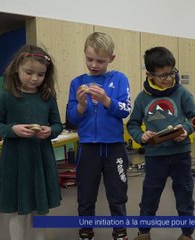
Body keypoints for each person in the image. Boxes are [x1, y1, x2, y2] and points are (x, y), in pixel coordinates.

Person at [0, 45, 62, 240]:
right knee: (18, 211)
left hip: (40, 160)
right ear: (16, 69)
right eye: (28, 73)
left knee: (40, 211)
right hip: (15, 161)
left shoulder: (48, 96)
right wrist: (12, 130)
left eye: (40, 74)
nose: (34, 78)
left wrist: (50, 131)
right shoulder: (6, 95)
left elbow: (57, 125)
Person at [126, 46, 195, 240]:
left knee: (184, 194)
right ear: (150, 74)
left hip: (180, 155)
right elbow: (132, 123)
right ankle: (144, 232)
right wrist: (140, 136)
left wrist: (186, 129)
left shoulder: (183, 93)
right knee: (149, 195)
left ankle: (187, 234)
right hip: (155, 157)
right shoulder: (142, 98)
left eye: (172, 73)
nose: (169, 79)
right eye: (163, 75)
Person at [66, 32, 131, 240]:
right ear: (85, 55)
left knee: (117, 194)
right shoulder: (77, 82)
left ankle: (120, 232)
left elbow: (125, 109)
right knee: (85, 194)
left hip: (114, 148)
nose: (94, 65)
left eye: (100, 61)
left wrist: (105, 99)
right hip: (88, 148)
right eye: (89, 59)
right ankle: (86, 231)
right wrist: (82, 106)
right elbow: (72, 118)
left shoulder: (119, 79)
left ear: (111, 59)